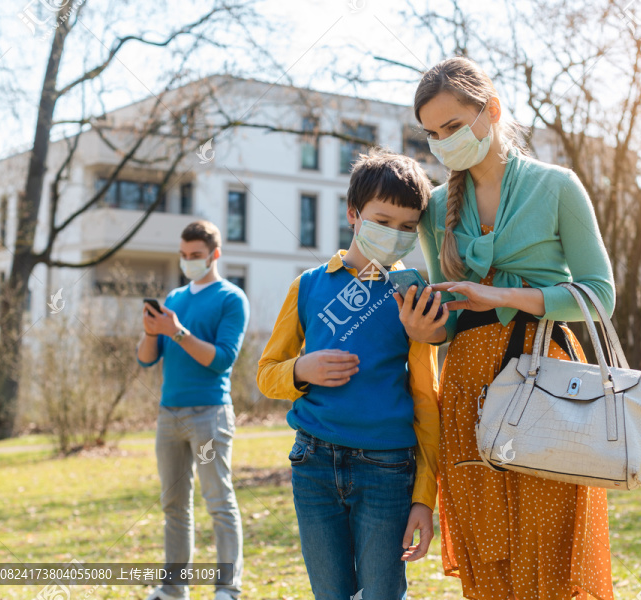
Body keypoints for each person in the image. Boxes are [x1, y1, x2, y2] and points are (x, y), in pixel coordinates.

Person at [395, 57, 617, 600]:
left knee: (552, 550)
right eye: (432, 134)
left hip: (547, 377)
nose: (442, 141)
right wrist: (424, 328)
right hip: (467, 387)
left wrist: (500, 295)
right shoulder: (437, 208)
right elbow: (445, 324)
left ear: (490, 111)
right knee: (488, 550)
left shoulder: (557, 187)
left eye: (452, 126)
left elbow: (599, 295)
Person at [256, 149, 440, 600]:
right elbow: (266, 374)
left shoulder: (412, 295)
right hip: (313, 464)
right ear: (353, 214)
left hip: (387, 469)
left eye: (406, 227)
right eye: (382, 220)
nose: (395, 234)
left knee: (381, 593)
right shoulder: (308, 286)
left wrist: (425, 496)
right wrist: (302, 368)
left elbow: (425, 395)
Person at [136, 220, 249, 600]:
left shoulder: (232, 298)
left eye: (196, 256)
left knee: (217, 500)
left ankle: (227, 588)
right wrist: (154, 332)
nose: (189, 262)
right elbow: (146, 360)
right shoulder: (175, 298)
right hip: (170, 416)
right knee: (173, 504)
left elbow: (220, 360)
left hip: (209, 415)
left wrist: (179, 332)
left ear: (215, 254)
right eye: (184, 256)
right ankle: (173, 588)